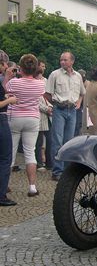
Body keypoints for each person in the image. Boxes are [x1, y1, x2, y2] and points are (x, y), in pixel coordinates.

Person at [5, 54, 45, 197]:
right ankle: (32, 187)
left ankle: (5, 184)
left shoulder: (14, 83)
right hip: (32, 118)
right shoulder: (40, 84)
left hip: (14, 117)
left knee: (10, 152)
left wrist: (7, 77)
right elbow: (40, 95)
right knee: (30, 152)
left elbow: (5, 91)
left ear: (20, 68)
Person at [45, 52, 86, 181]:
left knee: (69, 141)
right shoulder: (55, 74)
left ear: (72, 61)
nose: (62, 62)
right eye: (61, 60)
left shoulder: (78, 76)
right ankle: (57, 171)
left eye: (65, 60)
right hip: (60, 109)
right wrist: (56, 104)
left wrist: (79, 102)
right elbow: (47, 94)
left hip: (72, 110)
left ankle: (67, 170)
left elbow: (82, 92)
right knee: (57, 140)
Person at [0, 50, 18, 206]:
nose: (6, 66)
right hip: (1, 119)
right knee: (5, 158)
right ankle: (1, 195)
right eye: (5, 63)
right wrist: (10, 100)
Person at [34, 60, 52, 171]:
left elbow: (49, 95)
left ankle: (50, 162)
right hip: (39, 115)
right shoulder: (33, 84)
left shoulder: (46, 81)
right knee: (39, 141)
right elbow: (36, 101)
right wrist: (46, 109)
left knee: (50, 139)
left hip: (48, 115)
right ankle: (39, 163)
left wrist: (51, 107)